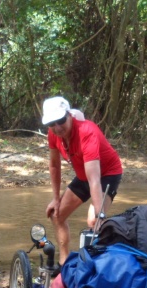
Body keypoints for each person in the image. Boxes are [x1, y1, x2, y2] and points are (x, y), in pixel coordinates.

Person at [41, 96, 123, 265]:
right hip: (84, 175)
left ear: (69, 115)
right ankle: (65, 263)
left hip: (107, 174)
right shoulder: (53, 134)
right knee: (57, 215)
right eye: (51, 123)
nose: (57, 127)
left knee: (94, 221)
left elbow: (94, 180)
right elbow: (54, 165)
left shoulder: (87, 131)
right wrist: (56, 199)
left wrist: (100, 214)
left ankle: (104, 262)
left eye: (61, 120)